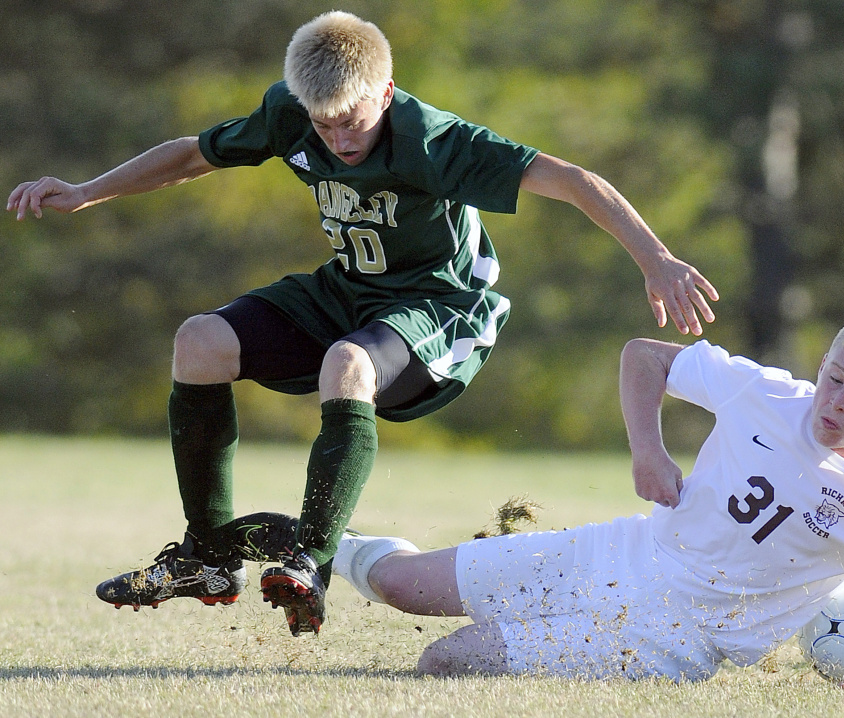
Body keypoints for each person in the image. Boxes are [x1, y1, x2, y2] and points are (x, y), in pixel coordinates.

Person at [6, 10, 718, 637]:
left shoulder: (433, 141)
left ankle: (308, 563)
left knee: (344, 365)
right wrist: (87, 193)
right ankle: (206, 557)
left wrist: (655, 259)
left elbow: (570, 179)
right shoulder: (292, 112)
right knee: (199, 342)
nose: (338, 139)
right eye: (322, 123)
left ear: (383, 90)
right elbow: (194, 154)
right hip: (348, 290)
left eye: (351, 120)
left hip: (441, 308)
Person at [297, 313, 844, 688]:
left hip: (674, 636)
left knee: (445, 660)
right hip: (624, 550)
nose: (838, 403)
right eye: (834, 380)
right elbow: (643, 357)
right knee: (398, 584)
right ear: (822, 368)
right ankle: (309, 549)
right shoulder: (762, 392)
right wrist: (648, 449)